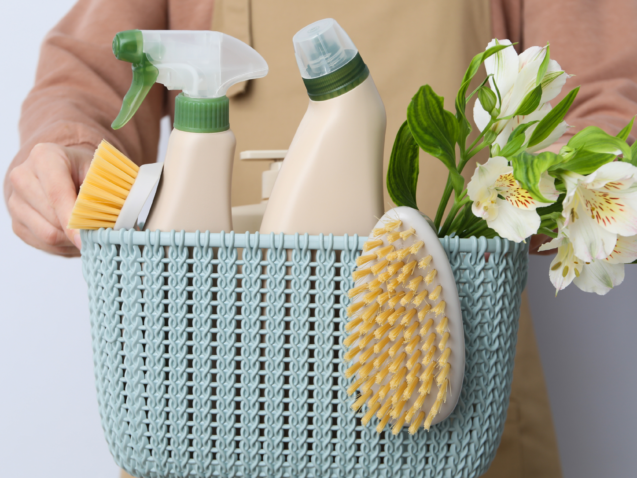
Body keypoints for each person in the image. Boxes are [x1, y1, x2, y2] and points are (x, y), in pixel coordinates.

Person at [5, 1, 637, 477]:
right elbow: (87, 73)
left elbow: (609, 93)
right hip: (210, 390)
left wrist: (549, 187)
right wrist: (64, 155)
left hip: (444, 377)